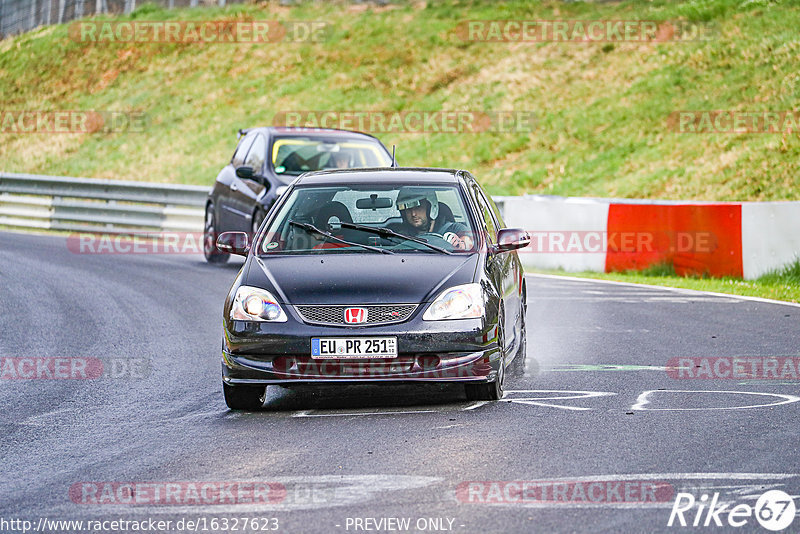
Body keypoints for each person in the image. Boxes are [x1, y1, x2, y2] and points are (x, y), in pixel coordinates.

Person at [394, 187, 473, 251]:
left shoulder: (454, 229)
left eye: (418, 207)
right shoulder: (399, 236)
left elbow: (470, 243)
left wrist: (460, 243)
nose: (413, 214)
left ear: (430, 207)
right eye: (408, 209)